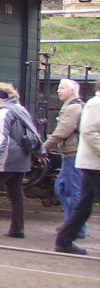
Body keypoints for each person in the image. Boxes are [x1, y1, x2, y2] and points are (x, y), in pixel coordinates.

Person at [0, 82, 39, 238]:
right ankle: (17, 229)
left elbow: (0, 138)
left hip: (5, 158)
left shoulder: (4, 112)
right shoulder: (21, 109)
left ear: (0, 97)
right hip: (21, 157)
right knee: (16, 193)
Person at [55, 79, 100, 255]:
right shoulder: (96, 105)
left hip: (91, 162)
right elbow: (89, 132)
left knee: (84, 205)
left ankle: (64, 240)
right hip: (94, 163)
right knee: (82, 202)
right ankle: (64, 240)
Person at [43, 79, 85, 240]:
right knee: (61, 188)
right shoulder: (73, 106)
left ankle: (76, 227)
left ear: (72, 91)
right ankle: (71, 222)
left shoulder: (73, 108)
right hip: (71, 155)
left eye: (62, 88)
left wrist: (44, 147)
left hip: (74, 155)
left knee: (72, 191)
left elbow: (62, 132)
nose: (58, 91)